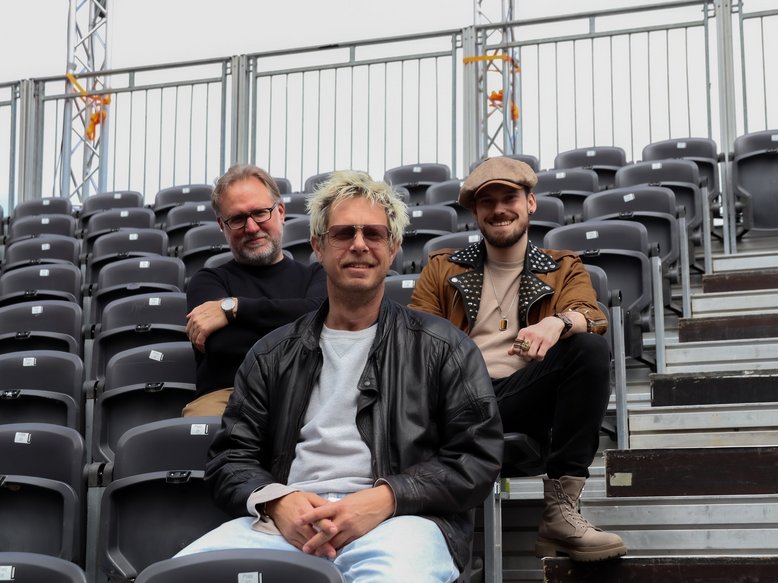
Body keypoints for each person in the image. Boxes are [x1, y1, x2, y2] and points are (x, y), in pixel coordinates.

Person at [176, 170, 503, 582]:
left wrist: (387, 497)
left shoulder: (445, 347)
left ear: (394, 247)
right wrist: (277, 501)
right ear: (318, 246)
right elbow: (230, 458)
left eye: (374, 234)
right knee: (180, 574)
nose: (359, 245)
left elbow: (477, 456)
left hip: (401, 522)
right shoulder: (271, 354)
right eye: (344, 233)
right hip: (288, 522)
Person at [409, 156, 627, 562]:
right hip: (456, 401)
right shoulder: (442, 269)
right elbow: (416, 338)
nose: (499, 209)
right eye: (487, 202)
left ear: (530, 203)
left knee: (589, 349)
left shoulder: (562, 267)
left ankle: (561, 512)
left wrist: (557, 323)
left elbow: (592, 315)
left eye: (509, 198)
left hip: (521, 399)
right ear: (475, 212)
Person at [183, 164, 327, 416]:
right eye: (237, 219)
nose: (251, 228)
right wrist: (298, 329)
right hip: (228, 397)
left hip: (302, 392)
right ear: (222, 225)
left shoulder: (316, 275)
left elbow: (322, 319)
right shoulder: (207, 281)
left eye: (260, 213)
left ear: (280, 212)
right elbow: (220, 344)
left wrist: (235, 308)